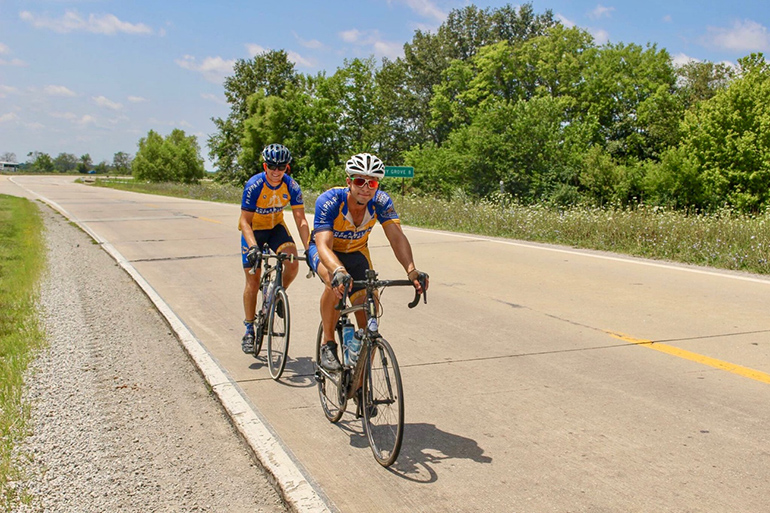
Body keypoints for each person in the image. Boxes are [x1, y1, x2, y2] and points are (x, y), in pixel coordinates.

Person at [307, 152, 428, 372]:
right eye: (359, 181)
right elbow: (323, 244)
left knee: (370, 315)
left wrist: (411, 270)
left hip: (356, 252)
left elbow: (396, 236)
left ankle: (361, 387)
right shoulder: (330, 200)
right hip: (327, 251)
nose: (365, 187)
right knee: (334, 282)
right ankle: (328, 343)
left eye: (371, 182)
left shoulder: (381, 201)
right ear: (349, 182)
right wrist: (338, 271)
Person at [239, 143, 310, 354]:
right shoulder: (254, 185)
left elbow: (301, 220)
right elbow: (244, 221)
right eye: (272, 166)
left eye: (281, 167)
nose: (276, 171)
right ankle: (249, 329)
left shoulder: (292, 186)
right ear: (265, 165)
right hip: (254, 231)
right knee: (252, 281)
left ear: (286, 167)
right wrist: (253, 247)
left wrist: (309, 248)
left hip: (276, 227)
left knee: (292, 261)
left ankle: (278, 293)